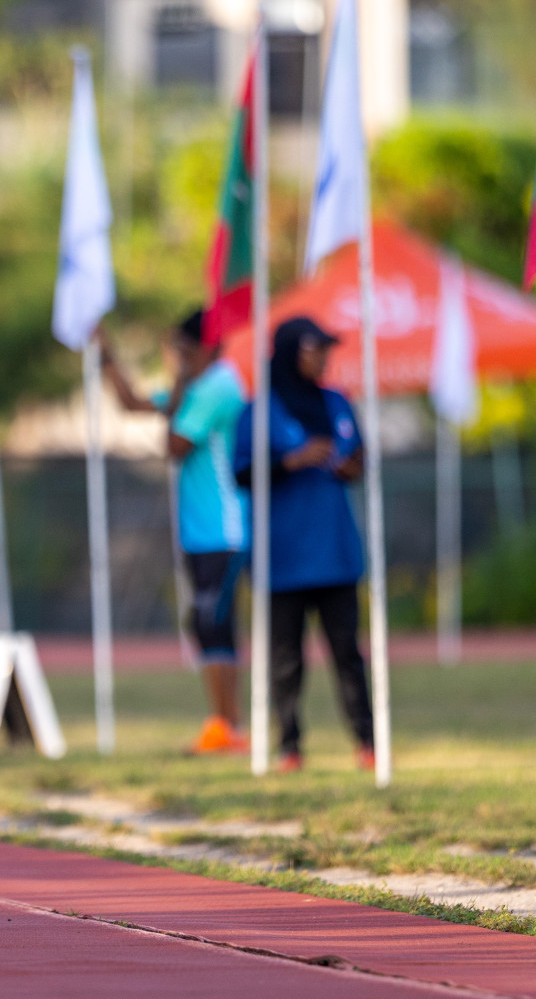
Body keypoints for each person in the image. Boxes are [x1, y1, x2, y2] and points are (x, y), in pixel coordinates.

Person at [99, 310, 250, 755]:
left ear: (200, 348)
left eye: (178, 349)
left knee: (213, 621)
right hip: (201, 531)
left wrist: (182, 380)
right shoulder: (197, 389)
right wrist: (106, 356)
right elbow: (132, 404)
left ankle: (230, 726)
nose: (173, 358)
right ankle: (224, 724)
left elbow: (174, 447)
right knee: (204, 624)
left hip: (225, 528)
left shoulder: (216, 388)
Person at [233, 316, 375, 773]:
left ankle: (367, 742)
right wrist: (290, 461)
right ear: (290, 351)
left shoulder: (337, 402)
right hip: (283, 558)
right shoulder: (257, 411)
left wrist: (350, 466)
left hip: (335, 553)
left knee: (347, 654)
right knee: (286, 660)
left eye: (326, 349)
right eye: (314, 348)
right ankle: (289, 746)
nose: (322, 357)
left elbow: (358, 460)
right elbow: (241, 474)